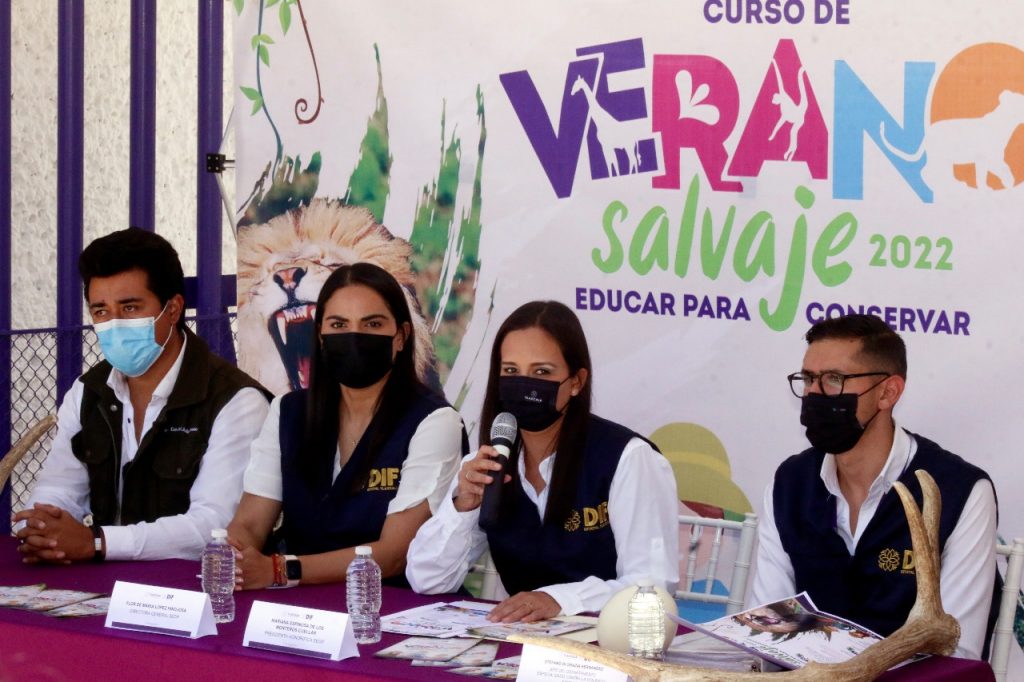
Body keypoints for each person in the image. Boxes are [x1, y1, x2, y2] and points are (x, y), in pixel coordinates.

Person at [406, 300, 679, 622]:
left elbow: (652, 587)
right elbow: (427, 581)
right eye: (511, 371)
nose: (525, 384)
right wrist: (463, 506)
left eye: (542, 372)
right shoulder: (488, 463)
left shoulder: (628, 459)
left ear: (576, 382)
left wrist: (558, 599)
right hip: (520, 639)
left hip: (606, 639)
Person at [13, 228, 270, 562]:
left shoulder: (236, 400)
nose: (114, 324)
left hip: (191, 586)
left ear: (173, 309)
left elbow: (215, 527)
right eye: (101, 311)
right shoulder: (88, 392)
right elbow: (58, 489)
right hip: (104, 578)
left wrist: (98, 542)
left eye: (130, 308)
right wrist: (42, 528)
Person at [750, 313, 998, 660]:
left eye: (834, 379)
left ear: (888, 392)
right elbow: (765, 628)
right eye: (808, 378)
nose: (814, 393)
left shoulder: (960, 491)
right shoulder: (790, 484)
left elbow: (955, 651)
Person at [227, 262, 466, 588]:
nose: (354, 336)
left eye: (372, 324)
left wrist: (281, 570)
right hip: (298, 609)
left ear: (400, 337)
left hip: (391, 606)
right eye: (338, 324)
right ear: (320, 336)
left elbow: (395, 554)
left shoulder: (435, 421)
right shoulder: (287, 412)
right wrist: (234, 553)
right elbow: (250, 523)